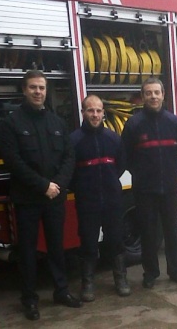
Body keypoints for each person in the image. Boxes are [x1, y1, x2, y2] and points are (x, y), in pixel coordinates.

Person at [0, 70, 82, 321]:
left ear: (46, 91)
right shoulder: (12, 123)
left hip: (54, 197)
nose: (38, 92)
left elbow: (69, 157)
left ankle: (61, 291)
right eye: (33, 87)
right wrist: (43, 185)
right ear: (24, 90)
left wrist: (58, 185)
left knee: (57, 247)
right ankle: (30, 300)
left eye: (42, 88)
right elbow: (12, 161)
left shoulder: (57, 122)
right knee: (27, 252)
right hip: (28, 199)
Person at [121, 77, 177, 289]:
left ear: (163, 95)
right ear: (142, 97)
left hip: (169, 188)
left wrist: (168, 171)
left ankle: (176, 272)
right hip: (144, 190)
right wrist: (142, 174)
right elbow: (126, 157)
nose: (153, 96)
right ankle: (150, 273)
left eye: (156, 92)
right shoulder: (134, 124)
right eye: (148, 93)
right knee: (148, 234)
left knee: (172, 233)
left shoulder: (174, 122)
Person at [70, 95, 130, 301]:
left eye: (98, 110)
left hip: (113, 200)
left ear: (104, 113)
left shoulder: (113, 138)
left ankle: (121, 279)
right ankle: (87, 285)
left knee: (116, 241)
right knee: (88, 243)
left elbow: (121, 165)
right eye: (90, 110)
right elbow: (69, 173)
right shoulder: (73, 141)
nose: (95, 114)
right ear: (83, 113)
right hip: (87, 202)